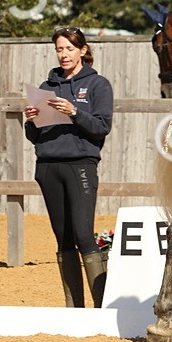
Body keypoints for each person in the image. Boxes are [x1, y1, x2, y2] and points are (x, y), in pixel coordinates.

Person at [24, 27, 114, 307]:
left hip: (81, 165)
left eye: (69, 49)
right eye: (59, 49)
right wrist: (30, 119)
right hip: (48, 166)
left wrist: (74, 111)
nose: (63, 55)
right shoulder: (47, 86)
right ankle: (73, 308)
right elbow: (34, 136)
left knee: (84, 234)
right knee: (62, 238)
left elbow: (102, 127)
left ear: (83, 50)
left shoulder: (99, 85)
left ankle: (102, 306)